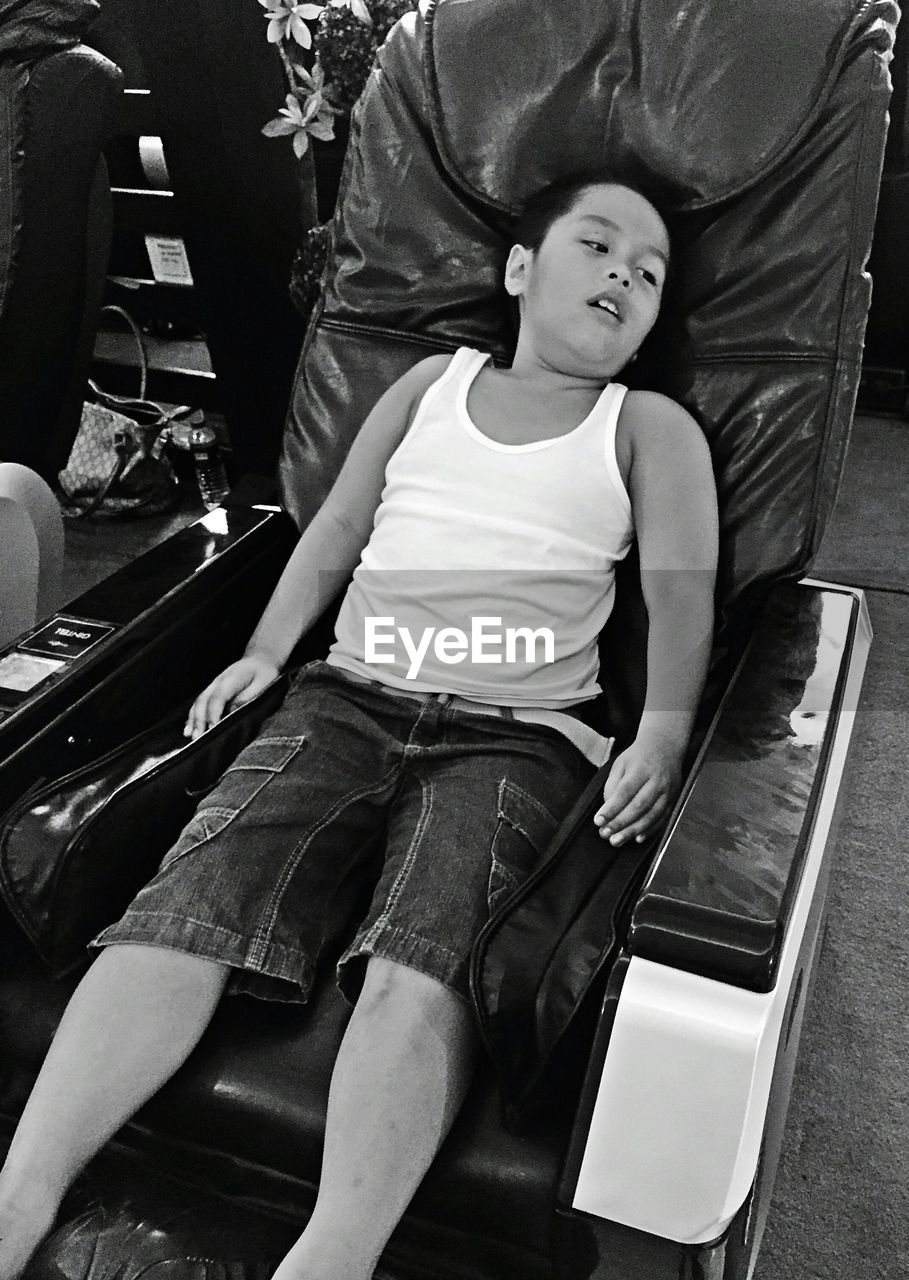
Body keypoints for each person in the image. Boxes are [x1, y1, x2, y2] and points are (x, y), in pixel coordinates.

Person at [0, 172, 718, 1280]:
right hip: (343, 697)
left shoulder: (647, 427)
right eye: (599, 244)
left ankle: (333, 1253)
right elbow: (335, 527)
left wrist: (663, 731)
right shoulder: (432, 384)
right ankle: (21, 1188)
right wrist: (265, 652)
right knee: (190, 902)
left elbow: (681, 591)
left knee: (422, 957)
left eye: (651, 269)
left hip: (517, 734)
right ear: (520, 270)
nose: (625, 270)